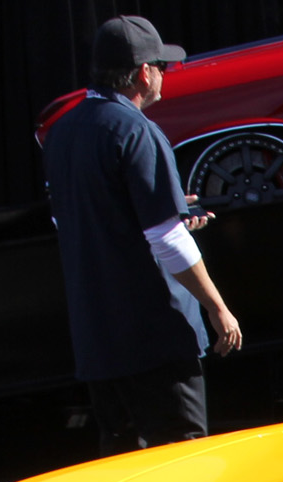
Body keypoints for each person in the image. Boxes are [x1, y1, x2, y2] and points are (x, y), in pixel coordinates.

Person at [43, 16, 241, 451]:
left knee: (121, 471)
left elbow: (84, 220)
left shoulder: (63, 132)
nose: (165, 76)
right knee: (182, 460)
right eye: (162, 67)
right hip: (155, 339)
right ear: (142, 74)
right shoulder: (136, 130)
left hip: (98, 340)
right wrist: (218, 307)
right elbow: (167, 241)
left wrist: (170, 211)